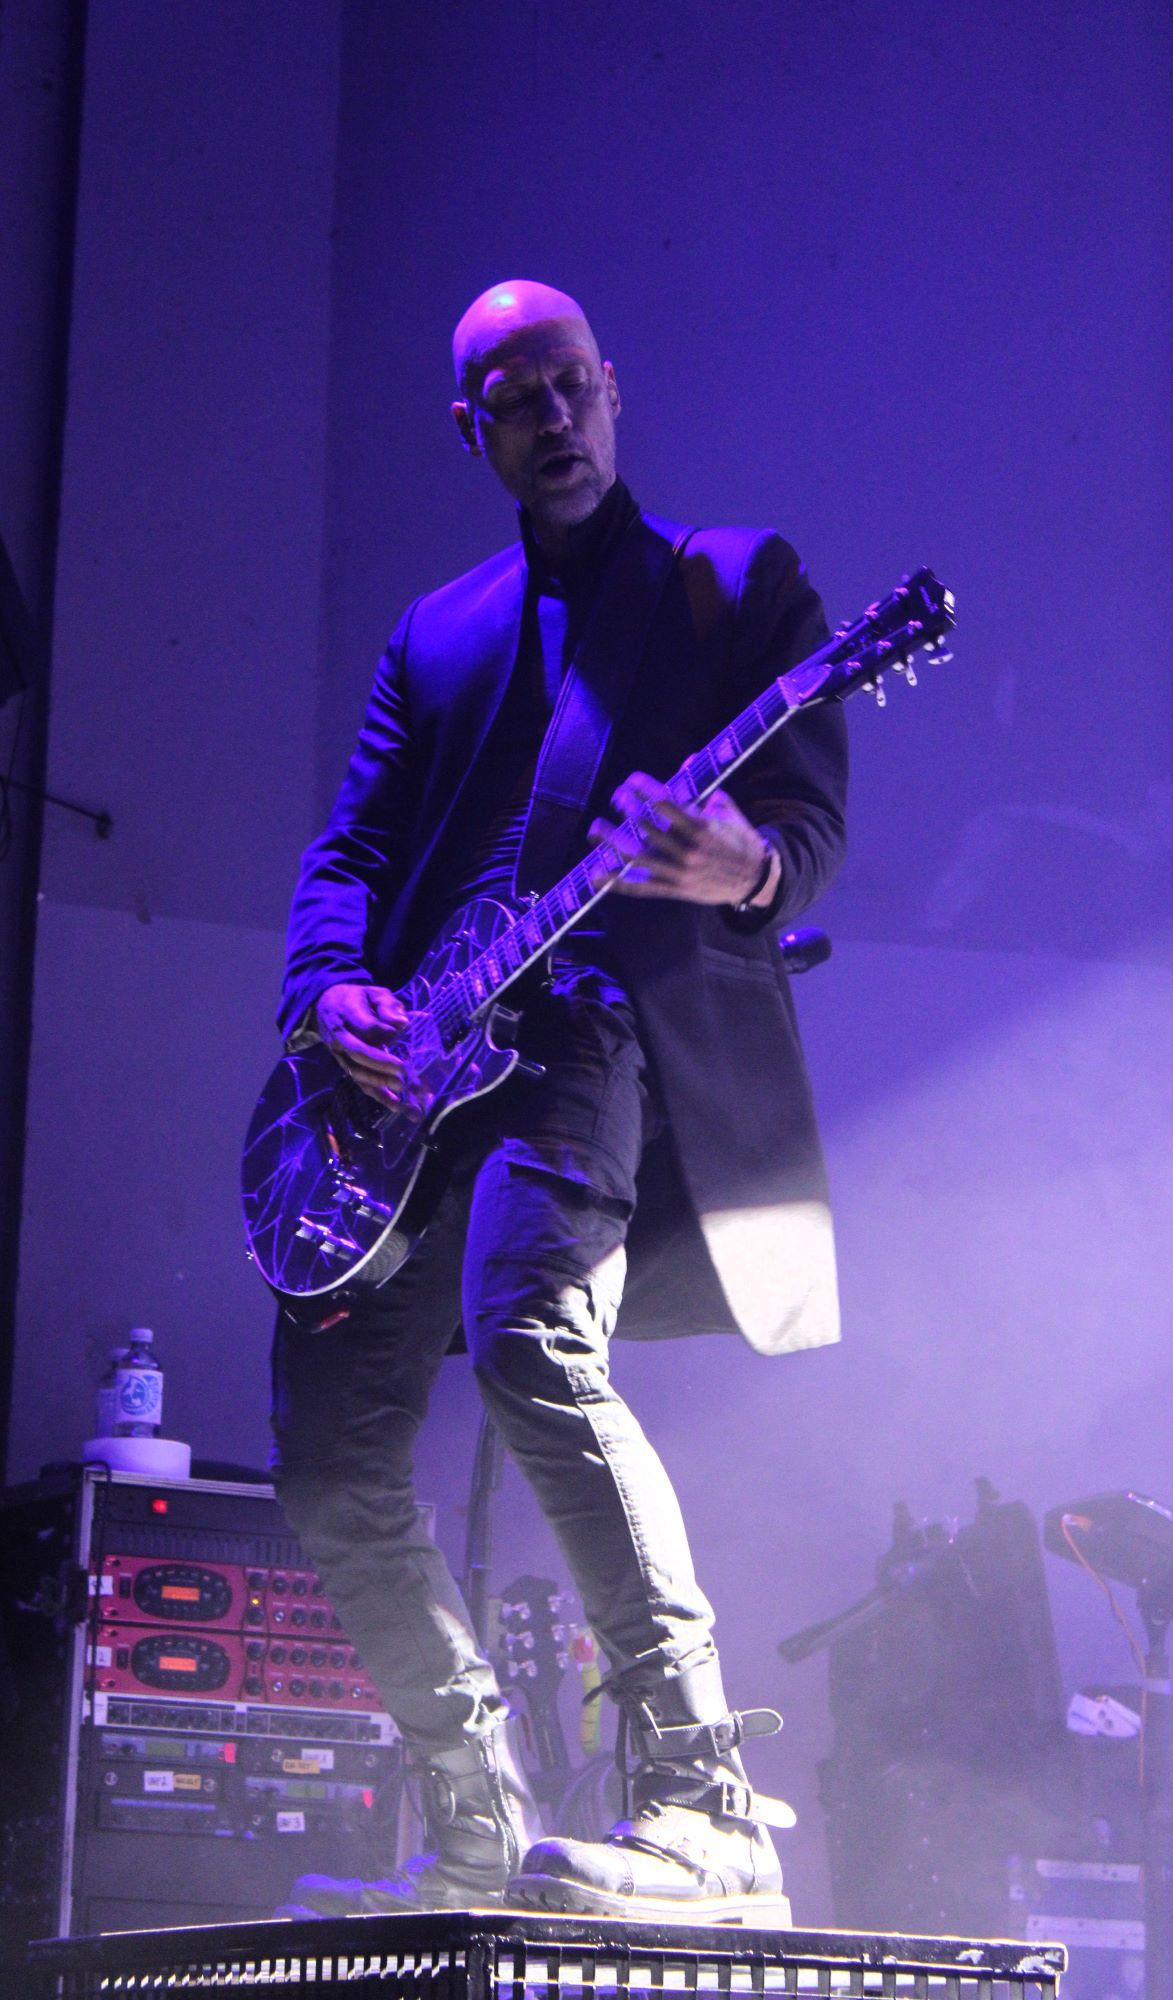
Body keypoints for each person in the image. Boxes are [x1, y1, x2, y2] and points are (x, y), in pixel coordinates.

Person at [270, 280, 847, 1920]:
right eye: (517, 398)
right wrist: (329, 989)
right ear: (475, 430)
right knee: (327, 1466)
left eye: (573, 383)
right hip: (409, 1081)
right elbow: (350, 850)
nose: (555, 417)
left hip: (584, 1037)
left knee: (531, 1337)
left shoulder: (731, 583)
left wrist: (744, 866)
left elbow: (802, 830)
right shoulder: (434, 632)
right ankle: (471, 1830)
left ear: (613, 388)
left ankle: (705, 1804)